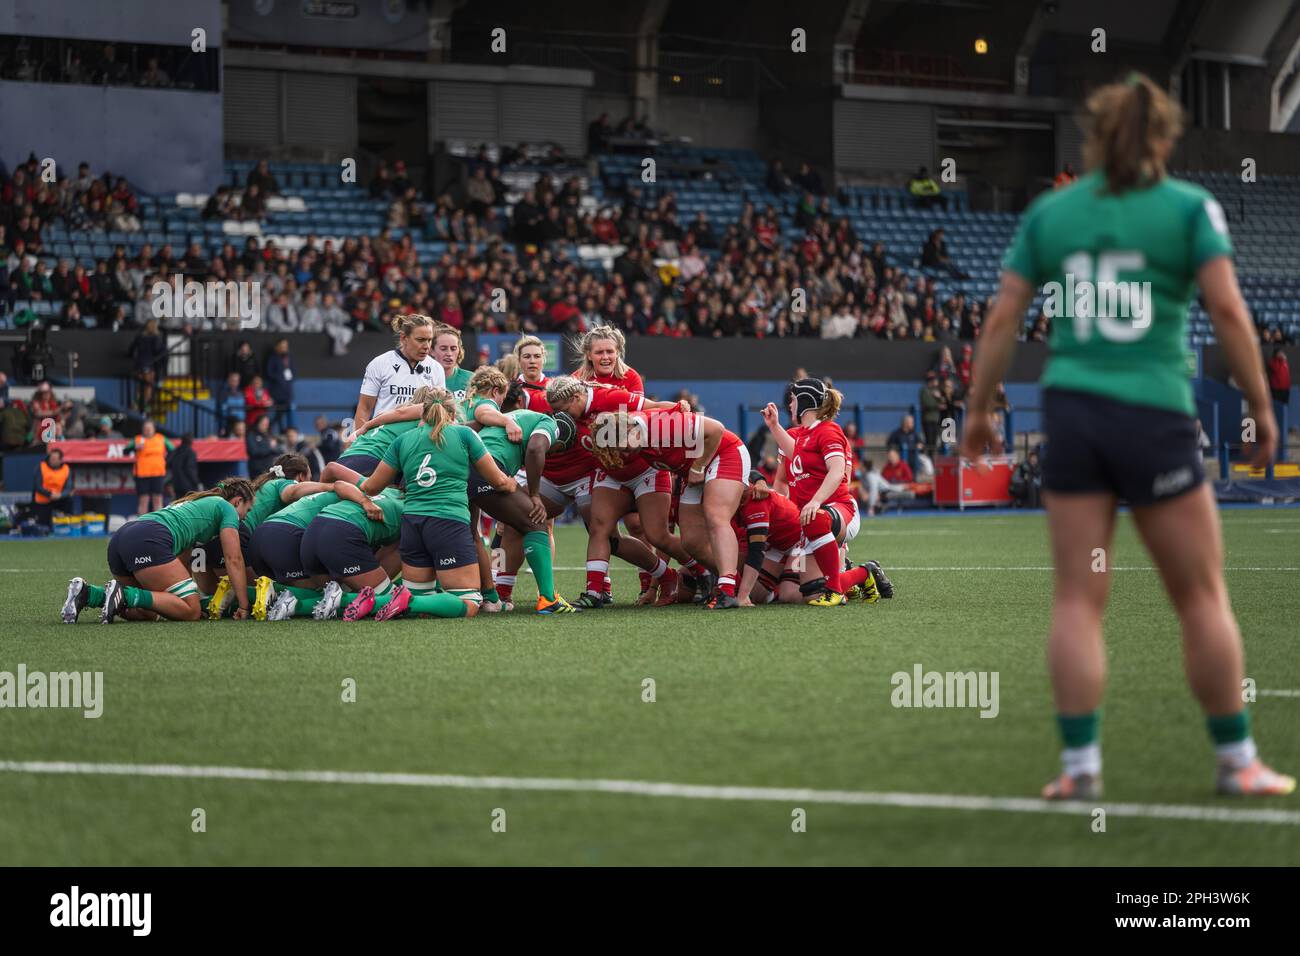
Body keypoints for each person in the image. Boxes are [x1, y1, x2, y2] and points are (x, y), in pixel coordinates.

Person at [959, 72, 1293, 799]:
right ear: (1167, 138)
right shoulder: (1188, 207)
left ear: (1095, 136)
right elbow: (1231, 315)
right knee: (1202, 597)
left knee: (1079, 599)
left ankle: (1080, 773)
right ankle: (1236, 762)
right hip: (1157, 417)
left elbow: (1002, 320)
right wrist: (1263, 410)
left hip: (1075, 416)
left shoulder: (1054, 213)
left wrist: (980, 407)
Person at [356, 390, 518, 620]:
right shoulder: (465, 434)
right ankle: (406, 599)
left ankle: (348, 601)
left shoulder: (403, 440)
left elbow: (372, 487)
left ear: (422, 412)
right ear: (453, 412)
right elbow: (497, 481)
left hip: (412, 525)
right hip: (448, 523)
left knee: (423, 606)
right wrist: (511, 485)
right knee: (470, 602)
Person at [761, 379, 885, 604]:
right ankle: (864, 573)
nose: (789, 405)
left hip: (839, 509)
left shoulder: (828, 430)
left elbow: (838, 472)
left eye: (793, 400)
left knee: (815, 519)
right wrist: (774, 426)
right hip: (811, 518)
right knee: (804, 594)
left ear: (805, 402)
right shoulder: (802, 436)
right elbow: (795, 455)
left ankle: (837, 586)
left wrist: (815, 501)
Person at [62, 479, 255, 624]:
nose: (245, 518)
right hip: (148, 538)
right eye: (247, 509)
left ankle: (89, 594)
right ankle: (124, 594)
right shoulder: (227, 509)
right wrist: (244, 606)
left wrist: (187, 592)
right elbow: (234, 559)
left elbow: (183, 560)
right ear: (237, 502)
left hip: (122, 538)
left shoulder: (196, 505)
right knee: (191, 610)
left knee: (150, 611)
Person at [354, 313, 445, 430]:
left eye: (429, 340)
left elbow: (439, 410)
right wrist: (359, 441)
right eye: (420, 340)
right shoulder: (380, 363)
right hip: (384, 437)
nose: (427, 346)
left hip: (418, 439)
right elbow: (364, 408)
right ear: (403, 338)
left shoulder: (436, 368)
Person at [127, 419, 171, 515]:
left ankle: (158, 524)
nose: (147, 431)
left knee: (158, 499)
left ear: (154, 429)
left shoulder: (161, 438)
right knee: (143, 500)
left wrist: (165, 461)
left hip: (157, 473)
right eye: (145, 429)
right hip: (142, 474)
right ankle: (142, 525)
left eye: (149, 429)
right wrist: (135, 447)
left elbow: (173, 450)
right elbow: (125, 450)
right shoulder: (137, 439)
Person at [431, 324, 474, 406]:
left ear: (459, 351)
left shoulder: (471, 379)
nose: (449, 354)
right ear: (431, 350)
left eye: (453, 349)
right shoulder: (423, 378)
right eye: (443, 349)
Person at [32, 447, 72, 529]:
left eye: (54, 459)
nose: (51, 460)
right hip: (44, 499)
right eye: (51, 458)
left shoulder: (66, 469)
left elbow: (68, 487)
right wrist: (50, 494)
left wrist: (60, 495)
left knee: (70, 498)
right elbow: (37, 486)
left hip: (59, 498)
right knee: (44, 527)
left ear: (60, 460)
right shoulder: (41, 467)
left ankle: (67, 521)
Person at [265, 338, 295, 432]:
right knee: (279, 410)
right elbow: (269, 373)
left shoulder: (288, 358)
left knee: (284, 410)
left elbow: (293, 371)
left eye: (285, 346)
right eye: (282, 346)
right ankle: (274, 426)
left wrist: (291, 376)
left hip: (287, 390)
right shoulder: (273, 358)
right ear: (277, 347)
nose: (284, 348)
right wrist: (279, 377)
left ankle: (279, 427)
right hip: (277, 391)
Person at [168, 434, 201, 498]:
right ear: (191, 441)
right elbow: (190, 469)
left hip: (176, 484)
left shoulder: (175, 451)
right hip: (188, 485)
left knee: (178, 504)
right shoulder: (190, 452)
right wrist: (197, 482)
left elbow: (168, 463)